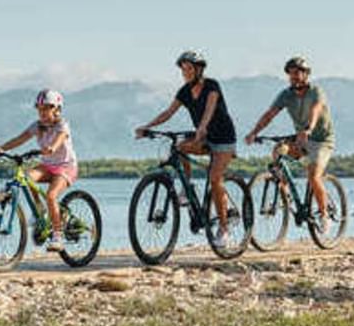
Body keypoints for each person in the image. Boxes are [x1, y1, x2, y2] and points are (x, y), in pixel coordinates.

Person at [134, 50, 237, 248]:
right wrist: (148, 127)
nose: (186, 73)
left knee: (215, 179)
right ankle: (187, 187)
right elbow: (168, 112)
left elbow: (209, 109)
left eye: (189, 69)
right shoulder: (184, 92)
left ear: (199, 69)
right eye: (183, 70)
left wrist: (202, 127)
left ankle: (224, 230)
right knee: (180, 147)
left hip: (223, 138)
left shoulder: (212, 86)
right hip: (203, 136)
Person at [244, 56, 335, 232]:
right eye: (291, 73)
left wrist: (308, 129)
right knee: (279, 150)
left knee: (313, 176)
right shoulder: (286, 95)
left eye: (298, 73)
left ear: (306, 74)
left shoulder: (316, 91)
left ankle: (324, 214)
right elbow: (270, 114)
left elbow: (315, 110)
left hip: (321, 140)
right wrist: (255, 132)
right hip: (300, 138)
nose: (294, 76)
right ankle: (284, 193)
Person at [0, 89, 78, 252]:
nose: (42, 112)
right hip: (48, 166)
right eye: (39, 109)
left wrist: (52, 148)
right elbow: (20, 139)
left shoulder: (62, 125)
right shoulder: (37, 126)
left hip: (66, 167)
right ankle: (40, 209)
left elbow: (60, 138)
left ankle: (58, 237)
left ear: (57, 109)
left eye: (46, 108)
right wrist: (1, 148)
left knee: (51, 196)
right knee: (26, 177)